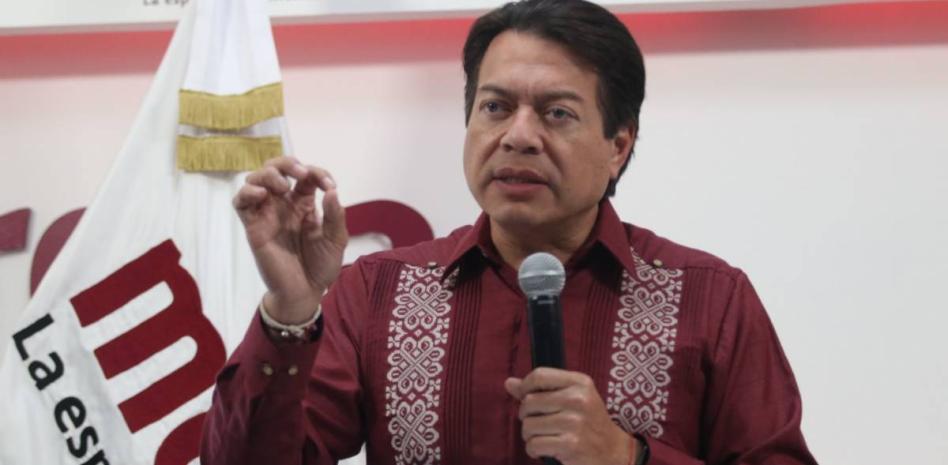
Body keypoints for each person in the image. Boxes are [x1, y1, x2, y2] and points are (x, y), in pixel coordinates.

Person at [200, 1, 818, 464]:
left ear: (618, 146)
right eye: (495, 107)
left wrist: (628, 458)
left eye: (557, 113)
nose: (518, 136)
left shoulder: (708, 299)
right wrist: (291, 309)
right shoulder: (379, 292)